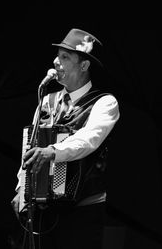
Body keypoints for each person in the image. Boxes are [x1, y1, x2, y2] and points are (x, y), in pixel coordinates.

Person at [11, 28, 120, 249]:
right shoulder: (47, 102)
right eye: (57, 56)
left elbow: (89, 139)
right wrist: (21, 188)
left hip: (82, 210)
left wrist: (52, 151)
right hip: (44, 208)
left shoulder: (105, 103)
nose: (56, 62)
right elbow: (30, 148)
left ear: (84, 65)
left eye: (64, 57)